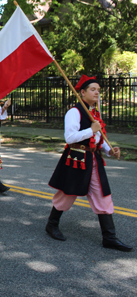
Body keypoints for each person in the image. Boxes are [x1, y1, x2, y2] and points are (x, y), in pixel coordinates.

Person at [46, 75, 132, 252]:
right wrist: (90, 130)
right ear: (82, 92)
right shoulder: (74, 112)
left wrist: (110, 151)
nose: (97, 93)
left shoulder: (95, 114)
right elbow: (70, 138)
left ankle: (109, 237)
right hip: (76, 158)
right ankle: (51, 224)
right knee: (67, 194)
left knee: (103, 195)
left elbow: (98, 140)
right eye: (93, 90)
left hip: (94, 159)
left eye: (99, 91)